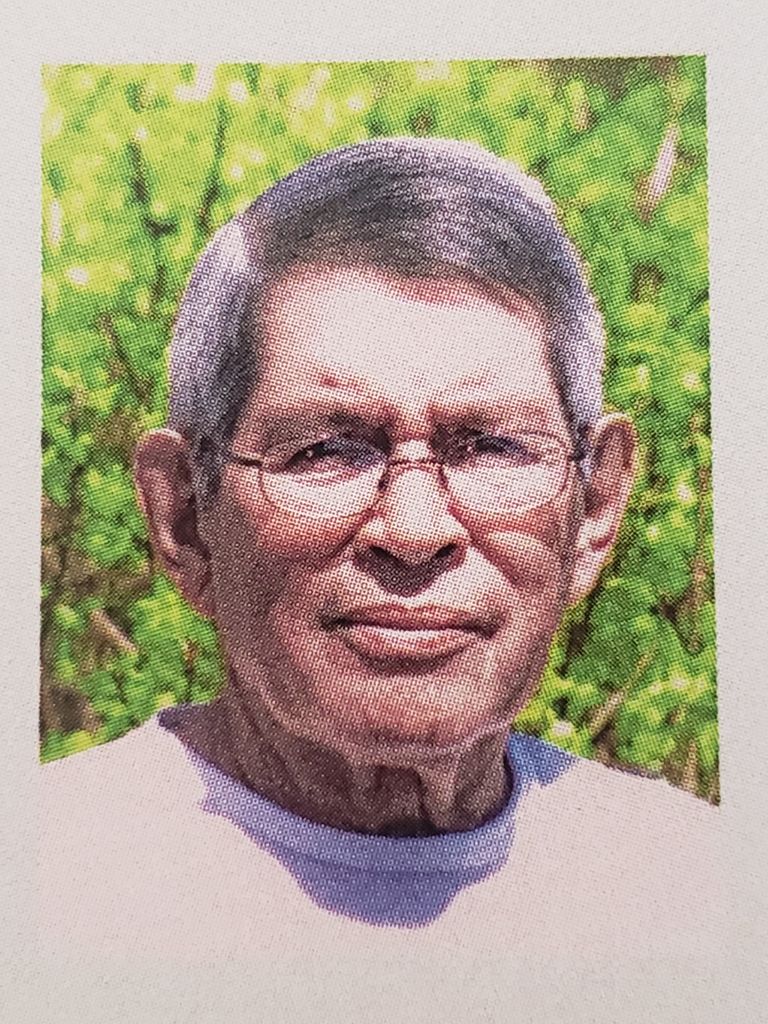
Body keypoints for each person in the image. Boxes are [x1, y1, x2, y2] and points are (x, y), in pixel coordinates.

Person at [40, 137, 725, 983]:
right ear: (184, 516)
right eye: (327, 450)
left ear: (594, 510)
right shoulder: (48, 895)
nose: (413, 529)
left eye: (492, 447)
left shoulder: (698, 900)